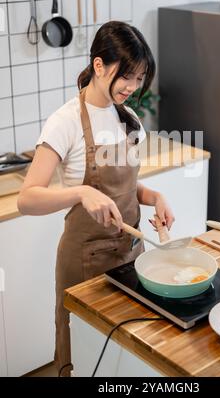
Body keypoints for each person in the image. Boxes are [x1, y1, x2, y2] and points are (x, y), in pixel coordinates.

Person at [17, 21, 175, 377]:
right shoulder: (66, 121)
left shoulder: (129, 119)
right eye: (127, 76)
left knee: (126, 358)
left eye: (140, 78)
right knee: (88, 358)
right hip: (86, 263)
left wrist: (156, 196)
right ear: (99, 65)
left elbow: (127, 185)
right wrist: (80, 191)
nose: (133, 87)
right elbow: (26, 200)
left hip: (132, 254)